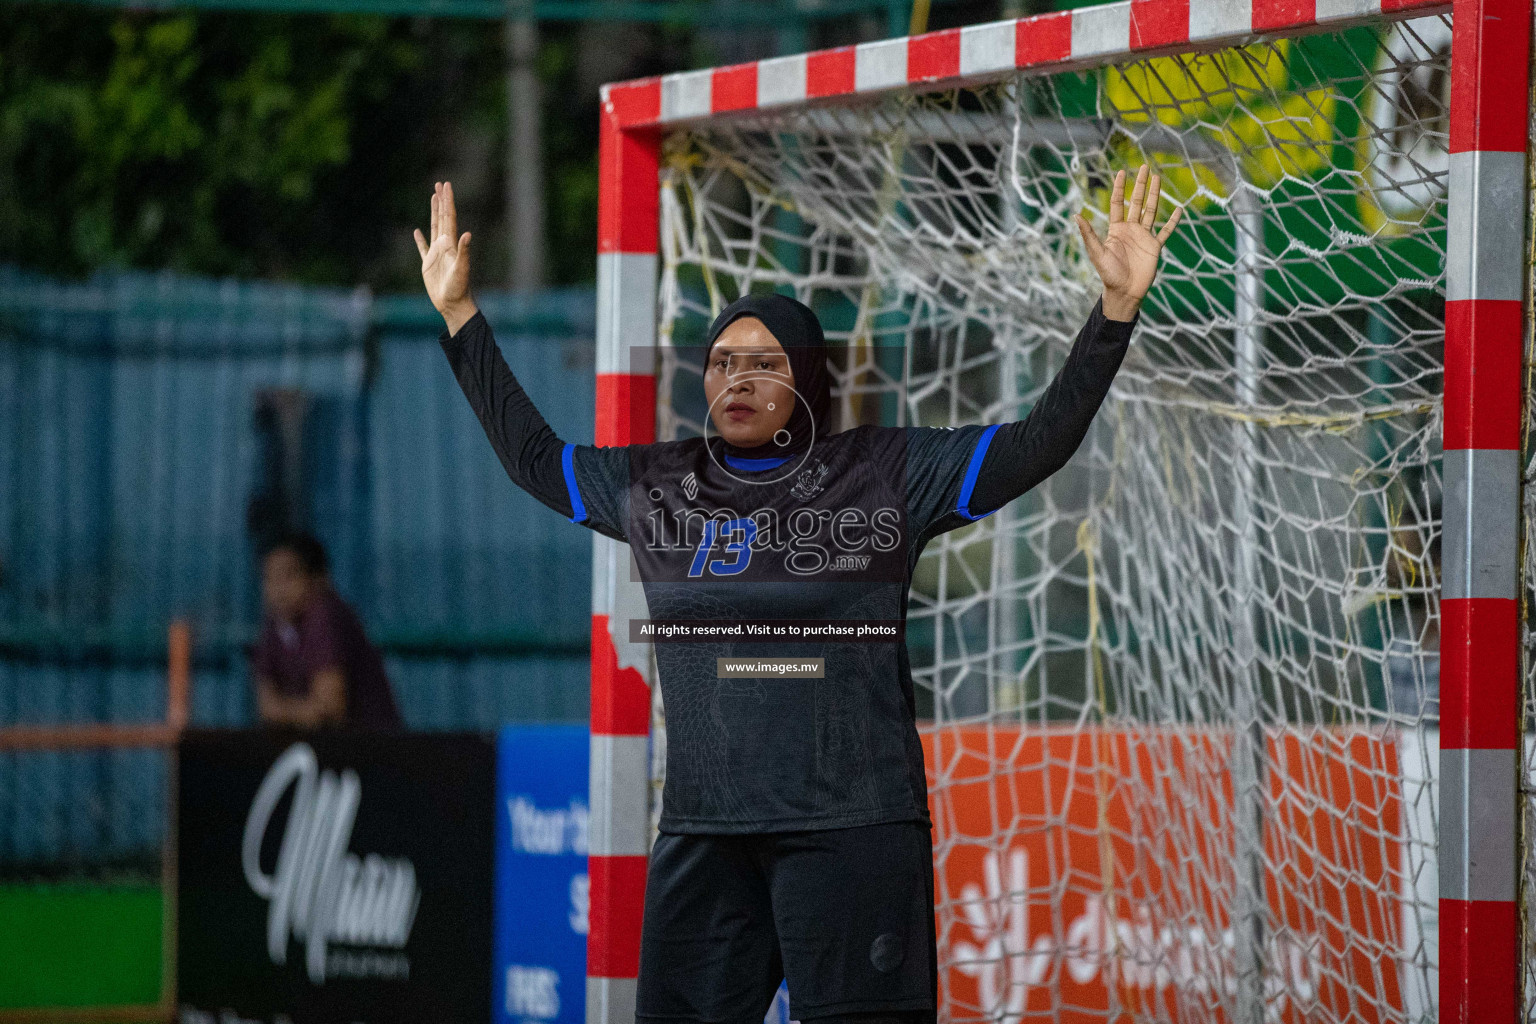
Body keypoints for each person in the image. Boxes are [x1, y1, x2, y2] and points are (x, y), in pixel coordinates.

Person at [419, 169, 1179, 1024]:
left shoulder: (885, 473)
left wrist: (1113, 315)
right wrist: (459, 317)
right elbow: (534, 458)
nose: (737, 378)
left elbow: (1039, 443)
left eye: (765, 363)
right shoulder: (659, 486)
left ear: (810, 380)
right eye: (721, 363)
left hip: (852, 834)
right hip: (706, 838)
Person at [250, 531, 402, 730]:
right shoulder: (275, 622)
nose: (277, 590)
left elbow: (328, 710)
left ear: (319, 579)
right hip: (316, 748)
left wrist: (286, 710)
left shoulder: (325, 615)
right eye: (269, 577)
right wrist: (300, 712)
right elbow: (266, 707)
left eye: (289, 576)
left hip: (370, 749)